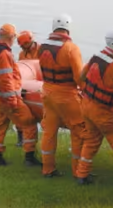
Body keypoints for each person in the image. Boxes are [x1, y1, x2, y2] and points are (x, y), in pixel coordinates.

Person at [76, 27, 113, 187]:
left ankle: (82, 174)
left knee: (91, 140)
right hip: (104, 112)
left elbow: (82, 77)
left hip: (87, 106)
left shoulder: (96, 57)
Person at [38, 14, 88, 178]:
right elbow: (79, 77)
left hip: (47, 93)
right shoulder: (71, 48)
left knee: (49, 132)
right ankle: (78, 171)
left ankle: (48, 169)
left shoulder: (42, 46)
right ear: (68, 28)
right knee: (79, 131)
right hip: (67, 95)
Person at [0, 24, 41, 167]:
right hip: (6, 99)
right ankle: (29, 157)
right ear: (11, 37)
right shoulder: (5, 54)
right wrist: (13, 101)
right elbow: (6, 79)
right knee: (29, 123)